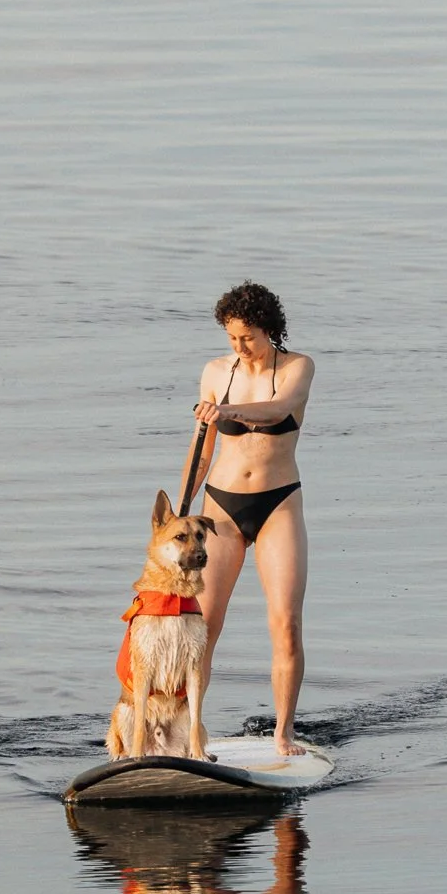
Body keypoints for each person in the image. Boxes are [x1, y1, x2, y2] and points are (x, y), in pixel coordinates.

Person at [189, 281, 312, 759]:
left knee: (286, 623)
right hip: (221, 505)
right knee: (204, 625)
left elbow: (279, 409)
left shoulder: (299, 367)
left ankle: (283, 733)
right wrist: (180, 511)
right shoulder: (216, 372)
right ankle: (191, 731)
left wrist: (227, 409)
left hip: (278, 503)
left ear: (270, 329)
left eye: (248, 337)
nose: (239, 346)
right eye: (232, 337)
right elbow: (200, 447)